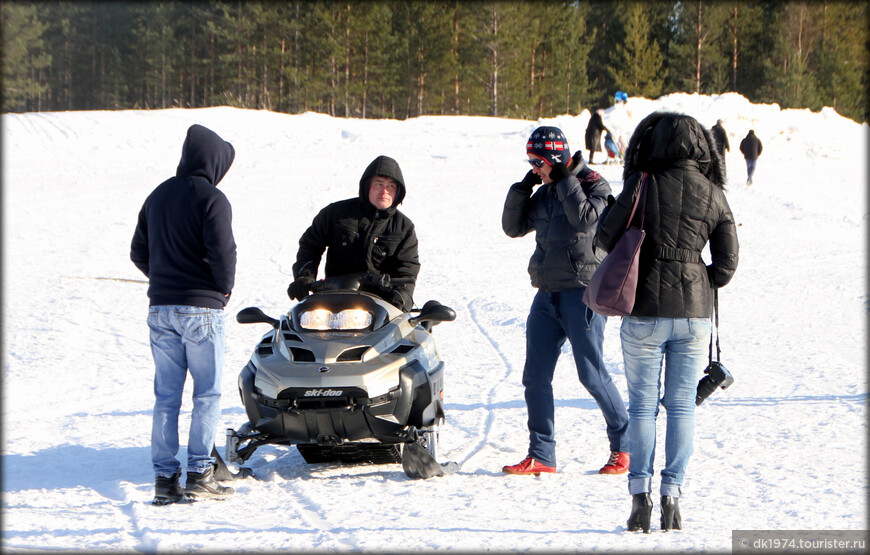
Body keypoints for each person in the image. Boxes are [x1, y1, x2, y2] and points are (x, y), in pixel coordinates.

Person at [593, 112, 739, 532]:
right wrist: (696, 278)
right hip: (694, 315)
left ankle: (639, 496)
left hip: (643, 309)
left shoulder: (643, 183)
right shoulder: (714, 193)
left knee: (642, 407)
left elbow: (604, 237)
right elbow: (727, 266)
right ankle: (673, 495)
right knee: (680, 408)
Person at [501, 126, 630, 477]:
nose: (534, 168)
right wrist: (522, 189)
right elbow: (512, 228)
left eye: (537, 162)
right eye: (530, 162)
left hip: (584, 294)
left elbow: (587, 220)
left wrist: (562, 180)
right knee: (535, 377)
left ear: (555, 159)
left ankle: (625, 445)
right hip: (546, 296)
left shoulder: (593, 184)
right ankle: (542, 454)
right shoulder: (543, 192)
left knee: (591, 374)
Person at [131, 124, 238, 505]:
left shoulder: (157, 196)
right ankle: (199, 473)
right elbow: (223, 254)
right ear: (213, 162)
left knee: (166, 396)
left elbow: (138, 253)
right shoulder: (213, 198)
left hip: (159, 309)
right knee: (206, 394)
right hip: (202, 310)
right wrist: (221, 290)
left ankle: (164, 481)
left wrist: (164, 280)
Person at [288, 155, 420, 311]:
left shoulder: (404, 227)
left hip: (381, 306)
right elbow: (310, 245)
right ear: (367, 186)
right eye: (379, 184)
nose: (385, 191)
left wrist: (400, 299)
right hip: (333, 299)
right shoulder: (336, 214)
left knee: (409, 334)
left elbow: (407, 270)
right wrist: (304, 277)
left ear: (398, 192)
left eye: (391, 186)